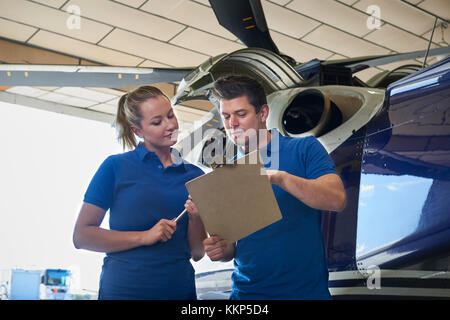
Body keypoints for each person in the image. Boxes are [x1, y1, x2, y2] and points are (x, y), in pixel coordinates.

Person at [201, 76, 347, 299]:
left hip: (305, 294)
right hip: (247, 295)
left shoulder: (305, 149)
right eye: (226, 116)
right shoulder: (224, 173)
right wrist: (221, 250)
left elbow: (336, 199)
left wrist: (280, 178)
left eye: (241, 114)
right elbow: (231, 247)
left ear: (263, 113)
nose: (232, 124)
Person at [72, 85, 207, 300]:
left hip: (178, 291)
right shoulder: (115, 167)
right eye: (157, 122)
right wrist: (145, 236)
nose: (170, 125)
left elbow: (198, 253)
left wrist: (196, 217)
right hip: (124, 292)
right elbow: (82, 236)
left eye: (171, 115)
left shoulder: (195, 175)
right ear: (138, 131)